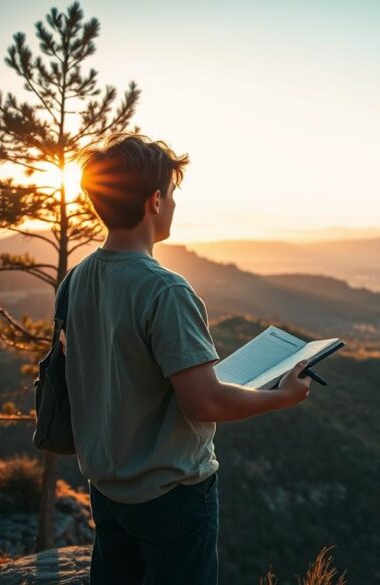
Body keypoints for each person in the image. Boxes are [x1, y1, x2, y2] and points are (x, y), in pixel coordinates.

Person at [68, 133, 312, 585]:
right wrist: (283, 397)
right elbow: (204, 404)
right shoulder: (166, 290)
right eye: (173, 194)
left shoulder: (78, 279)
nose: (175, 205)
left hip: (107, 488)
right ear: (155, 201)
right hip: (171, 494)